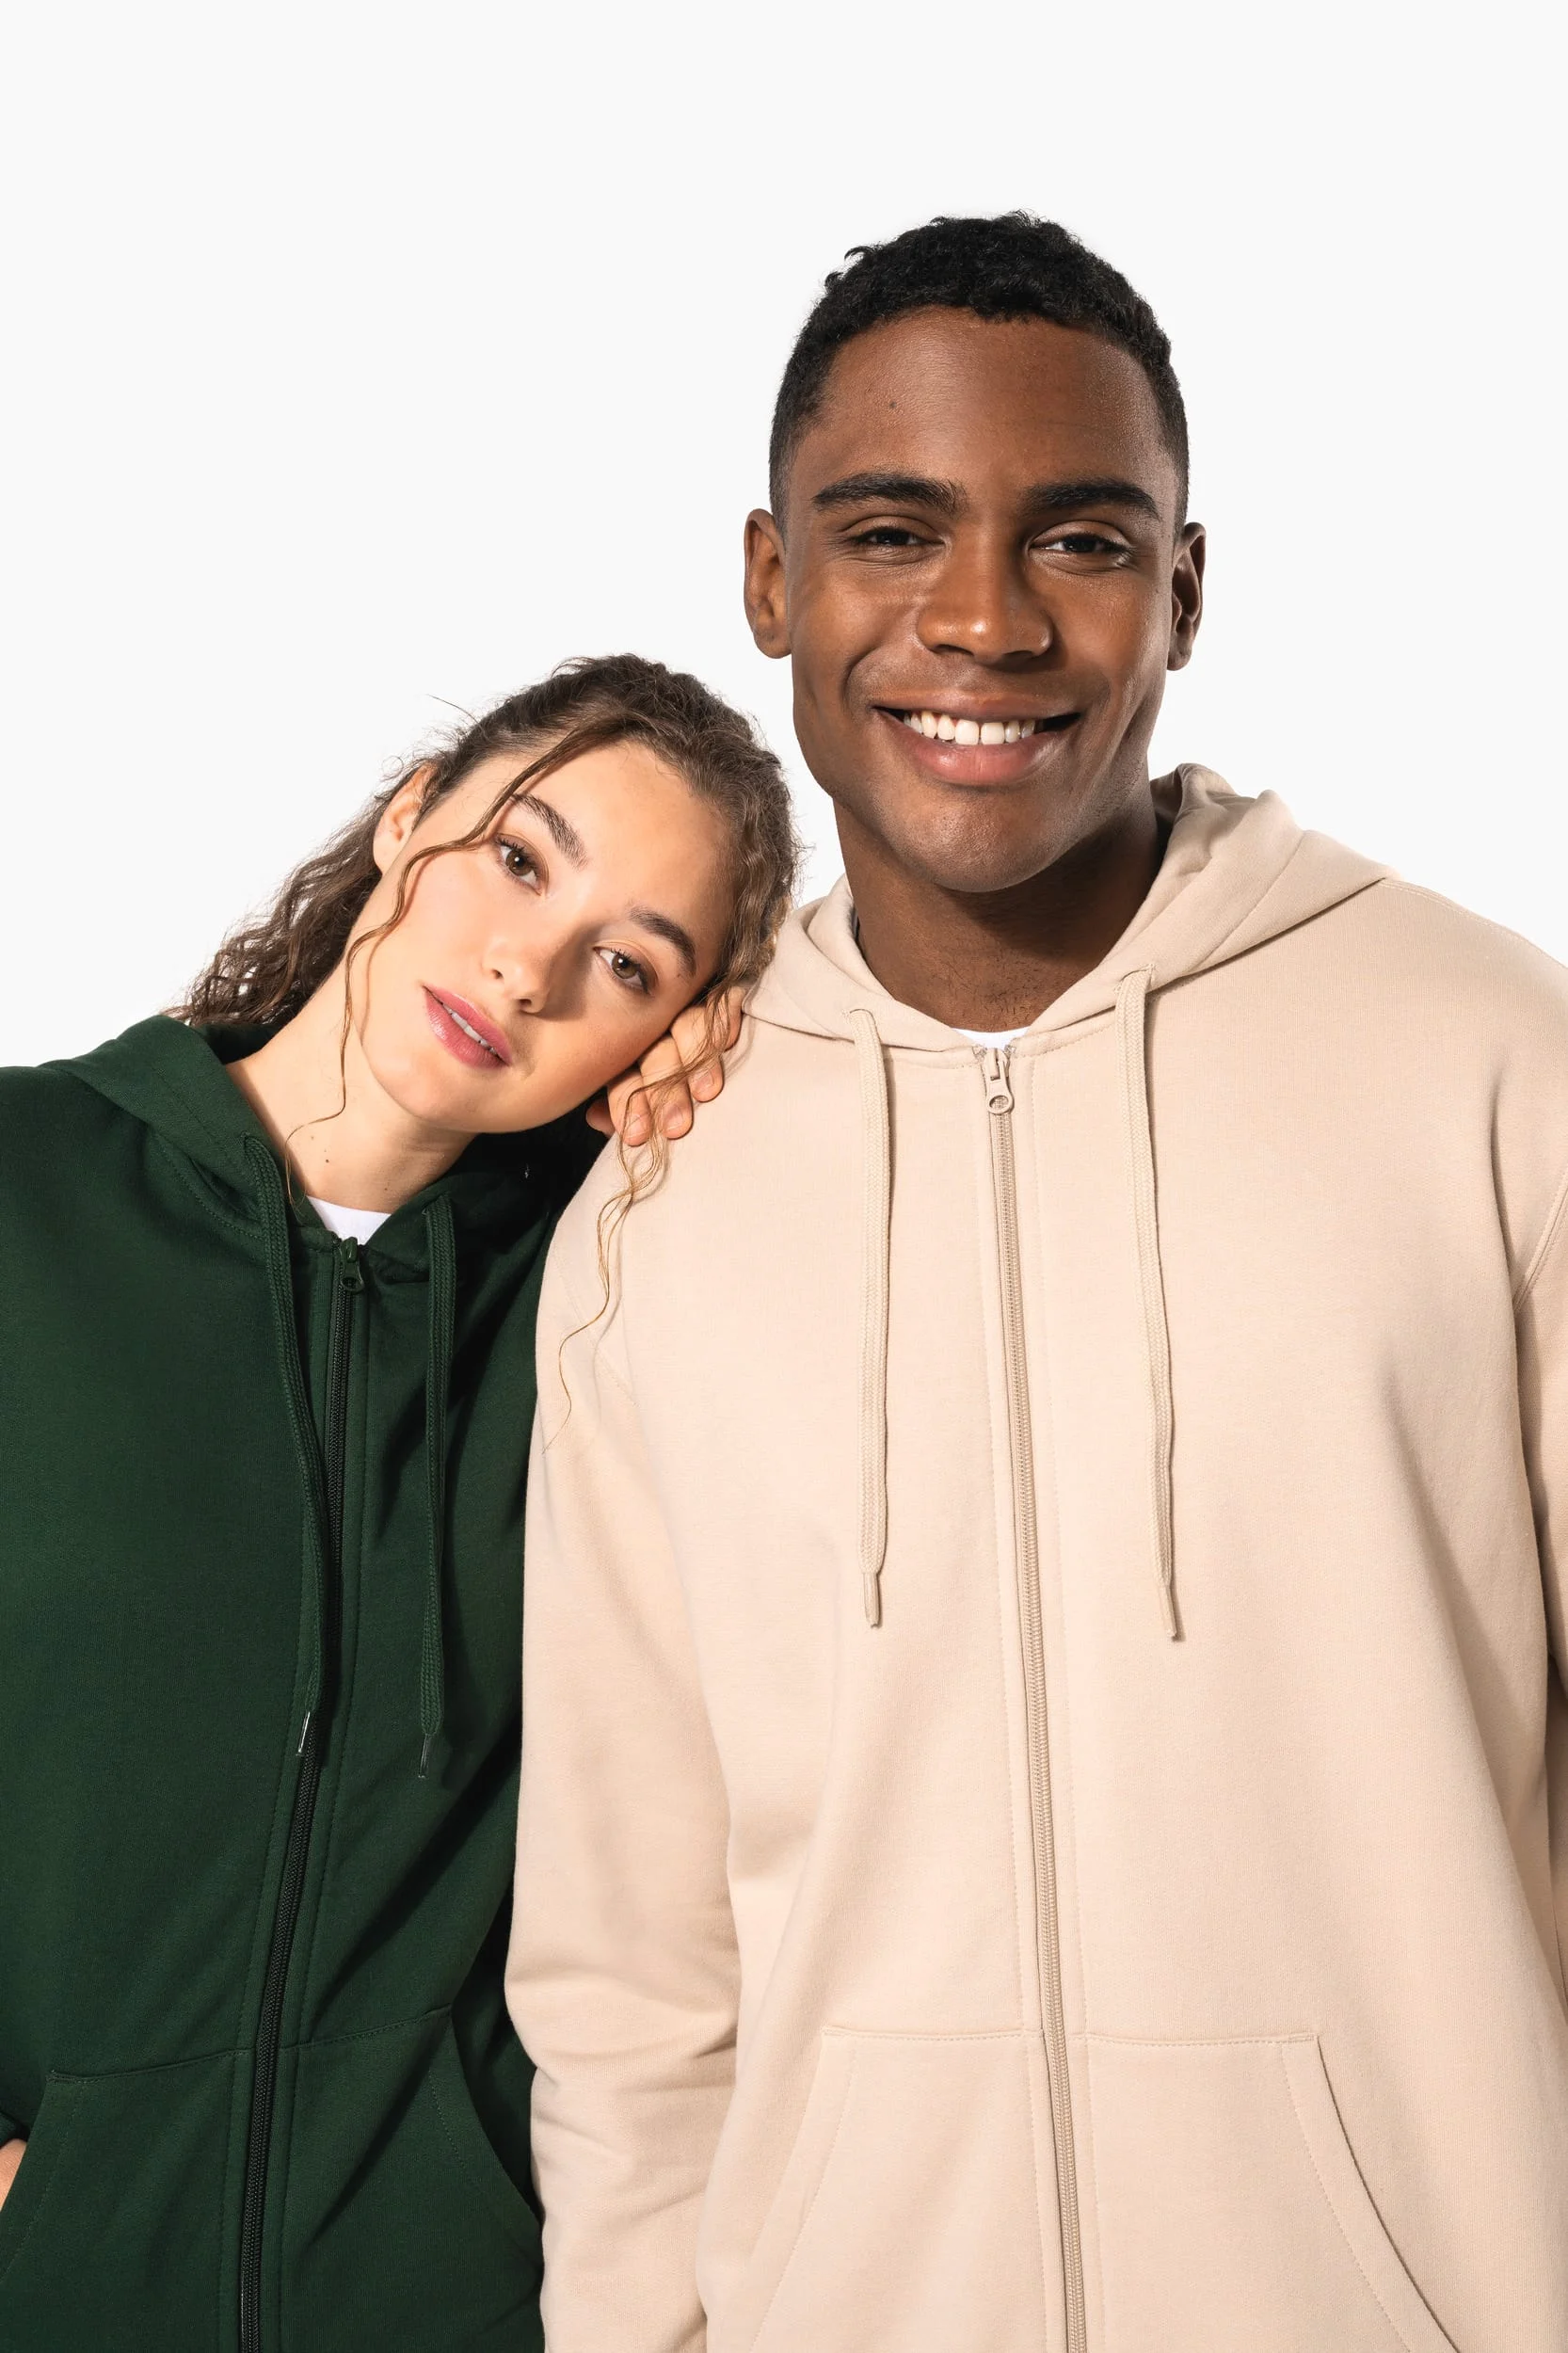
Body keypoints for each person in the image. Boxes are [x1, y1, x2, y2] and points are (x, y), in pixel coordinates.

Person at [509, 217, 1568, 2353]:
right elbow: (630, 1974)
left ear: (1185, 589)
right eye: (889, 532)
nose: (983, 619)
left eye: (1079, 539)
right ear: (770, 581)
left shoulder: (1489, 1067)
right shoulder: (659, 1191)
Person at [0, 652, 797, 2351]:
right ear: (412, 815)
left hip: (449, 2302)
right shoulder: (28, 1186)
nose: (528, 968)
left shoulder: (608, 1305)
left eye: (630, 964)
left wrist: (766, 1078)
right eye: (519, 858)